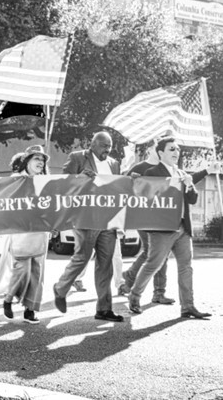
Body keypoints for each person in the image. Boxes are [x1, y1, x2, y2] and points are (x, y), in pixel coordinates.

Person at [122, 140, 219, 305]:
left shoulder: (182, 174)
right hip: (162, 228)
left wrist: (189, 185)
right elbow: (140, 195)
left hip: (182, 227)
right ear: (161, 153)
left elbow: (192, 199)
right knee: (153, 264)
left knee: (186, 268)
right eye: (172, 149)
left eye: (178, 149)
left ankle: (188, 306)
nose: (176, 152)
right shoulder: (152, 172)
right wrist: (136, 182)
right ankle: (135, 295)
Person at [52, 131, 124, 323]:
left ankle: (104, 309)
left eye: (109, 146)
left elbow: (117, 190)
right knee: (82, 257)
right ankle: (61, 288)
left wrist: (119, 221)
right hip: (85, 218)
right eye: (103, 145)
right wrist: (79, 177)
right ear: (92, 144)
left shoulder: (114, 164)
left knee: (105, 265)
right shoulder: (77, 157)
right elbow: (63, 183)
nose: (107, 150)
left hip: (107, 220)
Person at [2, 145, 50, 324]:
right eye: (37, 158)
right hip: (21, 231)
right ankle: (8, 299)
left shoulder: (46, 181)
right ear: (27, 161)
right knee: (22, 270)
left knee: (37, 272)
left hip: (40, 231)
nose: (41, 162)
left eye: (43, 159)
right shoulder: (16, 179)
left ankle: (31, 309)